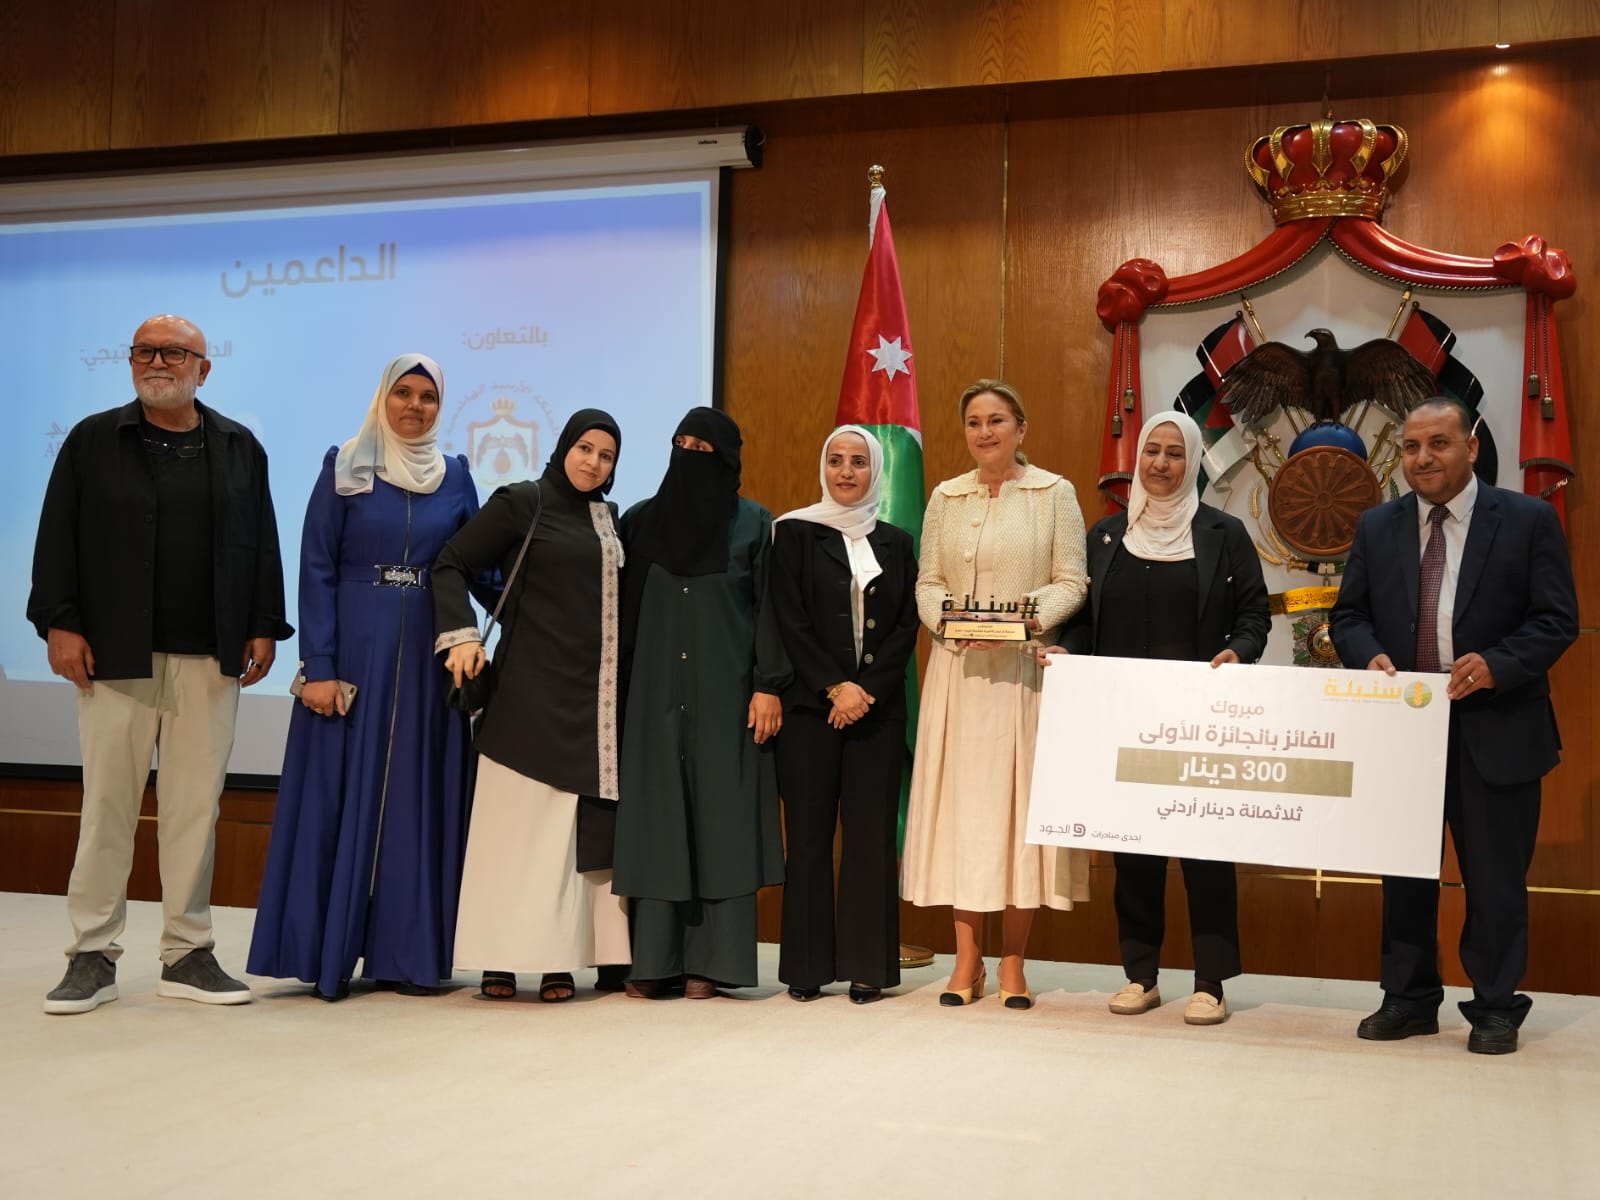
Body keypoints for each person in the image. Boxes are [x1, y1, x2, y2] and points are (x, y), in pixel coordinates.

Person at [29, 313, 292, 1014]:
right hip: (114, 653)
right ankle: (91, 955)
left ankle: (187, 953)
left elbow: (262, 543)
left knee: (194, 810)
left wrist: (264, 625)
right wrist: (59, 621)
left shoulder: (239, 447)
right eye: (145, 351)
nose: (157, 362)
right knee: (107, 807)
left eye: (174, 353)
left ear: (203, 369)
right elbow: (56, 534)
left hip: (211, 654)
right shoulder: (92, 440)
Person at [1331, 396, 1578, 1055]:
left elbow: (1557, 619)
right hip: (1404, 732)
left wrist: (1499, 664)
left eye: (1438, 443)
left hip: (1498, 727)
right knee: (1404, 874)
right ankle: (1409, 999)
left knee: (1495, 881)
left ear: (1471, 446)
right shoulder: (1378, 525)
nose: (1423, 458)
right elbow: (1348, 616)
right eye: (1411, 447)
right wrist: (1367, 654)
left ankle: (1496, 1007)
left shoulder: (1527, 520)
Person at [247, 353, 482, 1000]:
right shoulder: (345, 466)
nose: (415, 406)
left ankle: (405, 955)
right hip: (352, 654)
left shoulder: (457, 478)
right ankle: (322, 950)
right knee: (336, 798)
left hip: (427, 660)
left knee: (413, 801)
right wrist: (318, 666)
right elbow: (316, 565)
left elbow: (478, 565)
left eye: (428, 397)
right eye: (403, 393)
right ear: (383, 398)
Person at [1053, 409, 1269, 1025]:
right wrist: (1068, 651)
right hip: (1123, 721)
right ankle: (1140, 975)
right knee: (1134, 853)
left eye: (1175, 453)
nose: (1161, 464)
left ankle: (1211, 983)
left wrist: (1239, 652)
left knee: (1206, 853)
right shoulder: (1105, 536)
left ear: (1193, 460)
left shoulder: (1225, 533)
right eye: (1152, 451)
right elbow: (1083, 619)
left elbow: (1254, 616)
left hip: (1199, 720)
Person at [900, 380, 1089, 1010]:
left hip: (1022, 675)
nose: (984, 432)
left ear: (1021, 428)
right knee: (963, 814)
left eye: (997, 420)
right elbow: (928, 582)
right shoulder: (945, 496)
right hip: (958, 674)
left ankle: (1012, 960)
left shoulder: (1054, 493)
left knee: (1017, 816)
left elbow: (1072, 581)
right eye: (974, 422)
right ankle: (965, 960)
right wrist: (953, 624)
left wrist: (1013, 624)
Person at [433, 410, 630, 1002]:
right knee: (511, 833)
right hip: (525, 694)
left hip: (587, 701)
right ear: (564, 446)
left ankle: (555, 961)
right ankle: (498, 958)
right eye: (585, 448)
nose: (593, 462)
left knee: (561, 843)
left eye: (607, 456)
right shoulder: (524, 501)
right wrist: (461, 636)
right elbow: (451, 563)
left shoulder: (608, 518)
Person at [611, 407, 789, 998]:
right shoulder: (640, 522)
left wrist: (768, 684)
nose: (688, 455)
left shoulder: (753, 525)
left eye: (702, 448)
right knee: (658, 818)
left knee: (722, 820)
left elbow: (769, 609)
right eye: (680, 443)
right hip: (653, 695)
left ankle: (712, 965)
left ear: (728, 459)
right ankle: (654, 961)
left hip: (726, 695)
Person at [771, 426, 920, 1004]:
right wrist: (835, 687)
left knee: (870, 839)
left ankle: (866, 967)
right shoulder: (793, 532)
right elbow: (788, 617)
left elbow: (905, 625)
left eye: (859, 462)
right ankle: (806, 967)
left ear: (874, 471)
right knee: (808, 838)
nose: (846, 472)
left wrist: (864, 690)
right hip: (811, 710)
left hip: (876, 711)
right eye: (836, 460)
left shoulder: (897, 542)